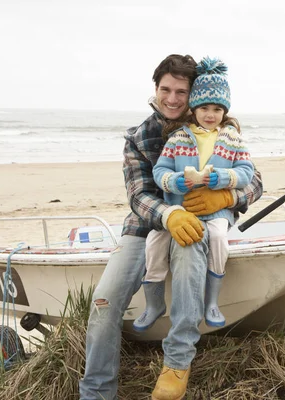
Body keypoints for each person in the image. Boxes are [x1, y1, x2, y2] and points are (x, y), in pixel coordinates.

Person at [79, 54, 263, 400]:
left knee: (191, 247)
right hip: (145, 228)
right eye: (166, 89)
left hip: (201, 224)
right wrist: (169, 215)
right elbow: (138, 194)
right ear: (156, 89)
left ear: (194, 95)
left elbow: (255, 182)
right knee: (103, 302)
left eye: (182, 91)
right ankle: (96, 392)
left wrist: (223, 199)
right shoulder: (139, 137)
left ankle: (177, 364)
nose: (173, 98)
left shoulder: (222, 130)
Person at [133, 57, 254, 332]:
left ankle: (211, 301)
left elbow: (248, 172)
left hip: (217, 211)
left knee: (219, 238)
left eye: (217, 109)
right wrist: (176, 182)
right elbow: (159, 172)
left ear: (224, 111)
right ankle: (154, 303)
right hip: (178, 209)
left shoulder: (232, 139)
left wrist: (222, 184)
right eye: (204, 108)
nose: (210, 115)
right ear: (194, 109)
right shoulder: (178, 137)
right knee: (154, 242)